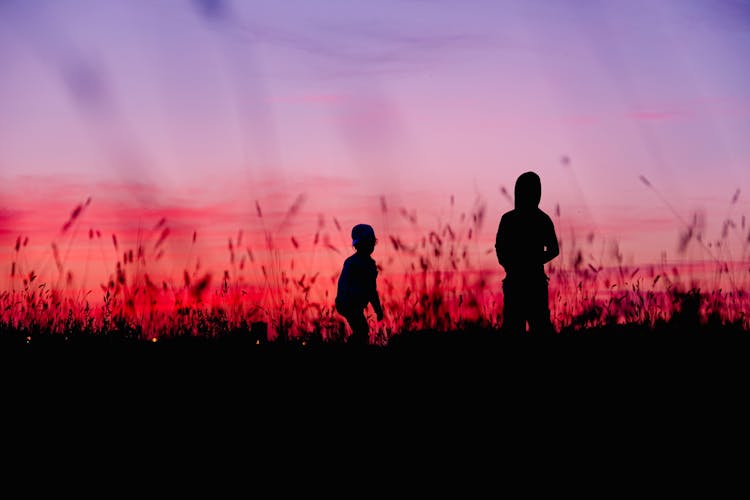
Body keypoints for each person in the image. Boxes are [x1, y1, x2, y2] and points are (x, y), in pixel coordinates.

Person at [495, 171, 559, 334]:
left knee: (539, 328)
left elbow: (554, 249)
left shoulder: (541, 220)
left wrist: (532, 261)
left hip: (533, 283)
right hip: (518, 282)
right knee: (514, 328)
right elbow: (500, 247)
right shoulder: (510, 219)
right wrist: (511, 265)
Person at [335, 223, 384, 346]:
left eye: (372, 242)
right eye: (368, 242)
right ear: (359, 245)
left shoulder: (353, 262)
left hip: (349, 304)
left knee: (361, 330)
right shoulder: (362, 264)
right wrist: (378, 309)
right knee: (362, 330)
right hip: (349, 304)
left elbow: (371, 290)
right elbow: (371, 290)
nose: (371, 245)